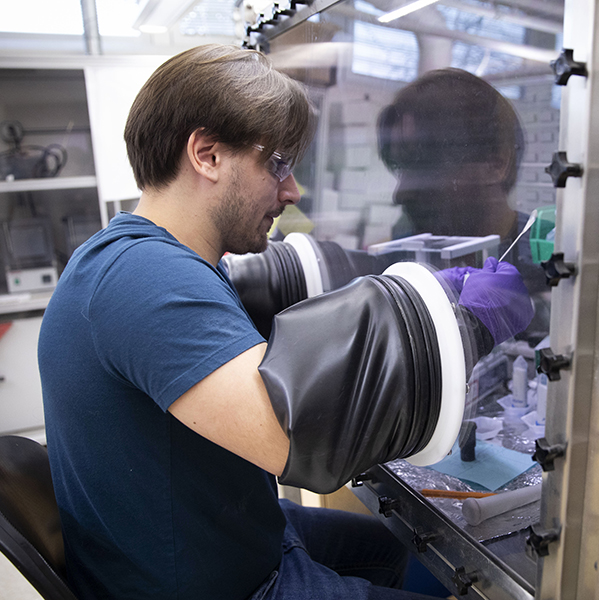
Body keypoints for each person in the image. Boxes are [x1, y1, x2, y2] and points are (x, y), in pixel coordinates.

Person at [37, 44, 531, 600]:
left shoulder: (140, 254)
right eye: (277, 164)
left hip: (211, 533)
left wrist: (413, 292)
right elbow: (296, 437)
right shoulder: (147, 278)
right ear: (206, 154)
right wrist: (468, 323)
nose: (292, 190)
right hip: (211, 585)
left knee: (395, 547)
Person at [377, 68, 549, 340]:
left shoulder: (546, 261)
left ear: (497, 163)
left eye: (425, 166)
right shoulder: (405, 252)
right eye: (400, 168)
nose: (400, 193)